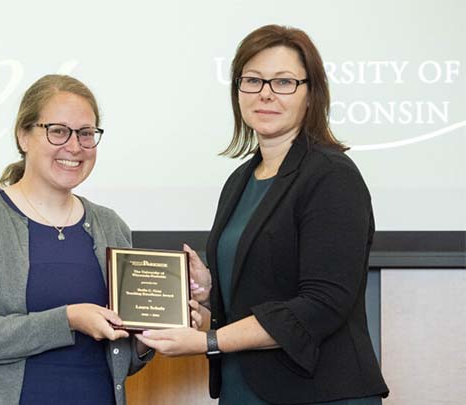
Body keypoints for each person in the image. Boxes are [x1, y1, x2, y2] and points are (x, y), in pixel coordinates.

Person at [136, 25, 389, 404]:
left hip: (320, 393)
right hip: (245, 389)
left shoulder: (332, 175)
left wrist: (209, 340)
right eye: (252, 80)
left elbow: (322, 304)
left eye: (284, 82)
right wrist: (209, 291)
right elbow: (258, 295)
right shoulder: (240, 180)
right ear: (237, 90)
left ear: (310, 94)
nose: (266, 93)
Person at [0, 74, 169, 404]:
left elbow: (121, 360)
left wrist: (148, 337)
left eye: (86, 134)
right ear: (23, 136)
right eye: (58, 131)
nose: (74, 147)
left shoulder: (110, 226)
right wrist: (67, 320)